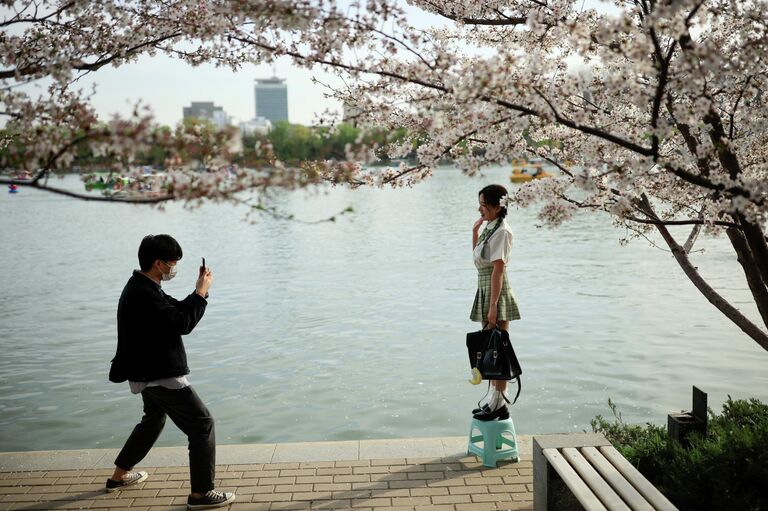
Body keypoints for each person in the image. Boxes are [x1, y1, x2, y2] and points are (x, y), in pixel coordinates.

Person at [107, 234, 235, 510]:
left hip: (146, 372)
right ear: (158, 263)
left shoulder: (144, 286)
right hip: (160, 374)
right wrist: (200, 293)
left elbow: (176, 310)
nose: (174, 267)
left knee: (153, 420)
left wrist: (199, 290)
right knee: (202, 424)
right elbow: (182, 323)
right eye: (173, 262)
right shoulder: (143, 293)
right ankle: (201, 494)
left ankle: (119, 476)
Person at [470, 184, 521, 421]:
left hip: (496, 291)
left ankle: (500, 403)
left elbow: (498, 270)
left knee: (497, 350)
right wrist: (474, 233)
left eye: (483, 204)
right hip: (485, 287)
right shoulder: (489, 227)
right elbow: (480, 260)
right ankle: (493, 400)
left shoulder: (502, 231)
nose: (480, 208)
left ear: (497, 206)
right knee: (489, 350)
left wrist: (493, 306)